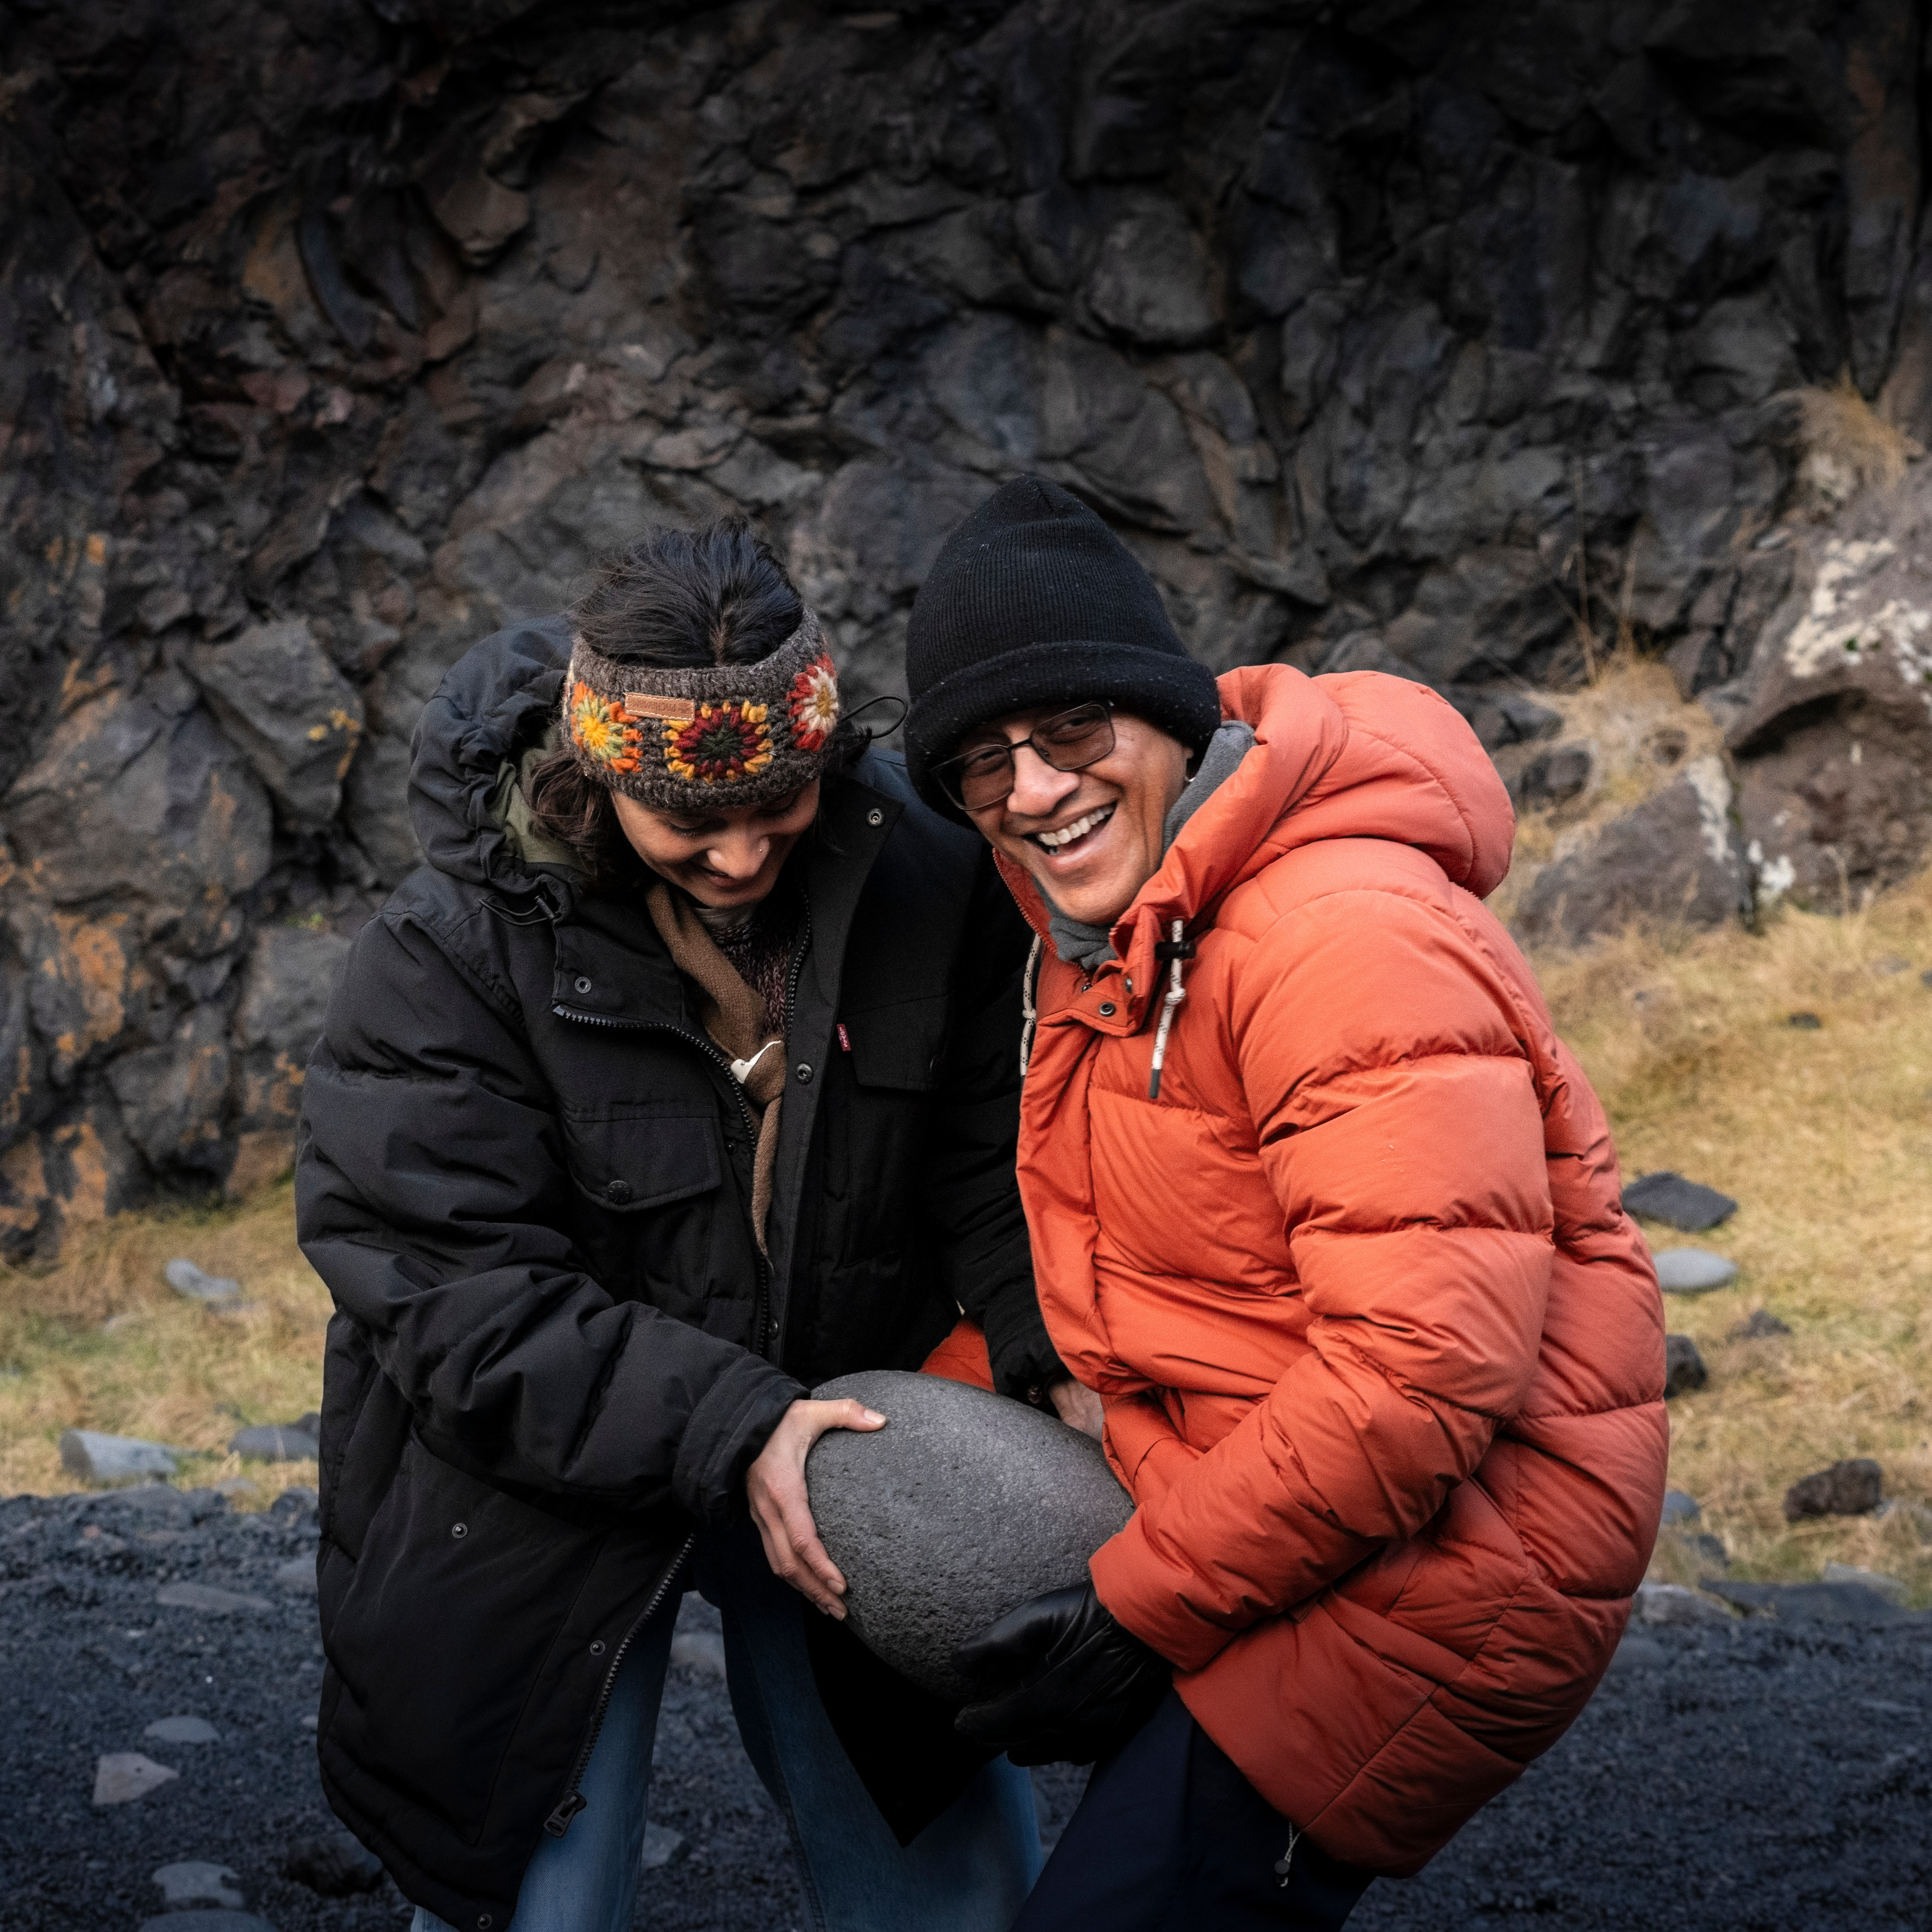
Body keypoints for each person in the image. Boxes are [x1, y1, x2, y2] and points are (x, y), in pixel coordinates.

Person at [899, 477, 1669, 1931]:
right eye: (982, 767)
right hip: (1308, 1487)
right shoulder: (1115, 929)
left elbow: (1421, 1375)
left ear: (1169, 717)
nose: (1036, 791)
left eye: (1071, 732)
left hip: (1468, 1553)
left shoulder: (1335, 938)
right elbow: (1150, 1277)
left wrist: (1136, 1606)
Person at [295, 521, 1082, 1932]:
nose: (740, 855)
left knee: (948, 1871)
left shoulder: (927, 872)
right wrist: (734, 1425)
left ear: (825, 753)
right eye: (690, 824)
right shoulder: (448, 948)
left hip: (846, 1431)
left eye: (778, 806)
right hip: (538, 1468)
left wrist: (1044, 1344)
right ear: (601, 779)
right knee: (541, 1884)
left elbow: (987, 1159)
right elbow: (450, 1290)